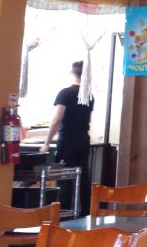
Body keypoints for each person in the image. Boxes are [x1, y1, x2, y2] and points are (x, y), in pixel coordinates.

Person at [40, 61, 93, 216]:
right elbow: (88, 120)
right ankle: (85, 214)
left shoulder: (65, 93)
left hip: (67, 142)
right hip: (83, 141)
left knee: (64, 179)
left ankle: (61, 216)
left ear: (72, 73)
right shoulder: (89, 96)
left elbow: (57, 119)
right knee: (82, 178)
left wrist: (47, 142)